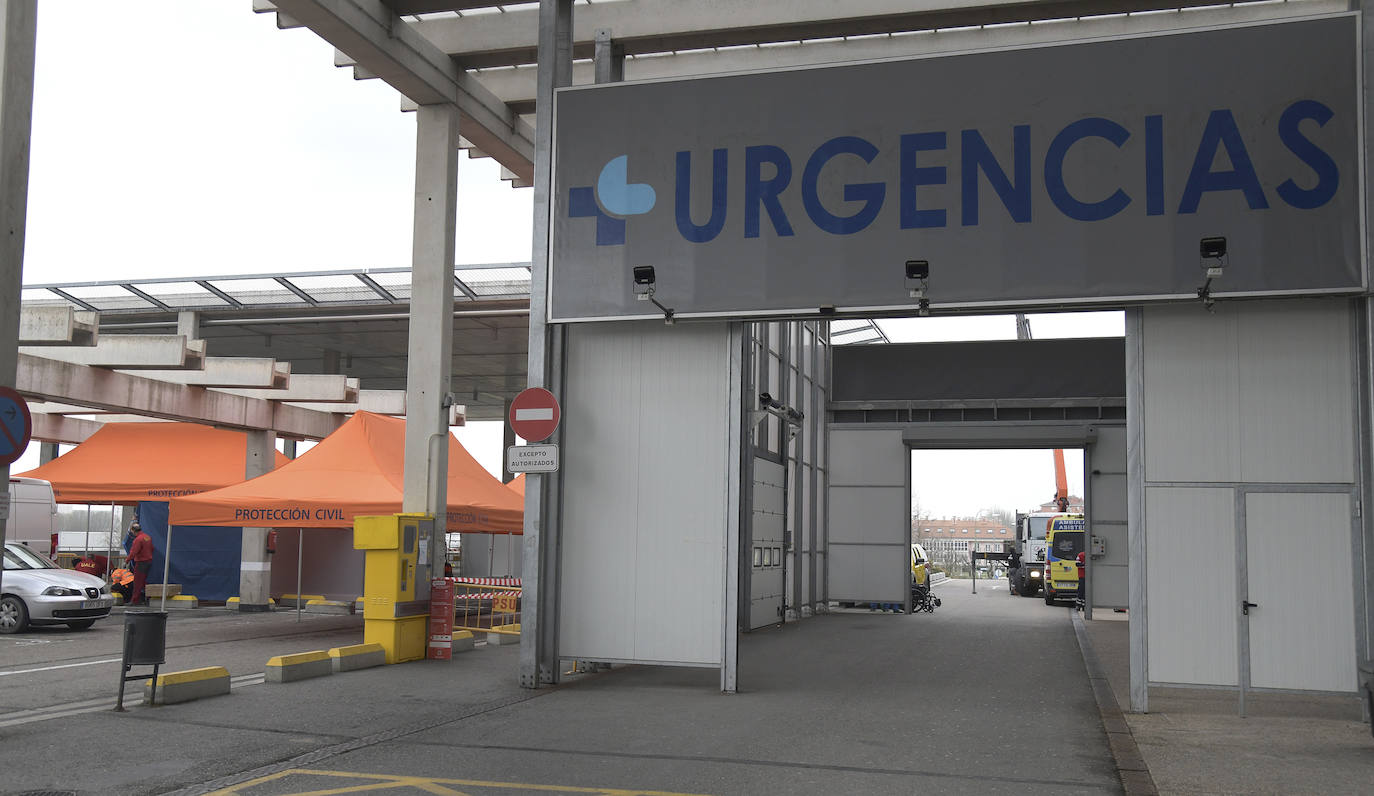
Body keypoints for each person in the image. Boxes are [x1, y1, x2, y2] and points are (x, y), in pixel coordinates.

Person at [127, 521, 154, 606]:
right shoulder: (147, 537)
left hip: (141, 562)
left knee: (138, 582)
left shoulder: (138, 540)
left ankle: (135, 600)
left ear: (134, 531)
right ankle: (148, 597)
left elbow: (133, 552)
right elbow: (152, 548)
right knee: (143, 582)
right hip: (148, 562)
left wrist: (127, 560)